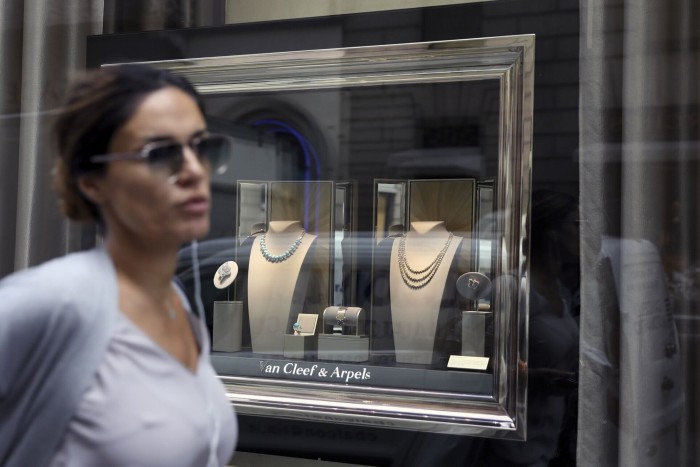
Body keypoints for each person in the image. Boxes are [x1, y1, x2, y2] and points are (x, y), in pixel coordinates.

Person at [0, 64, 238, 466]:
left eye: (201, 147)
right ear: (92, 181)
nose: (194, 171)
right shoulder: (52, 302)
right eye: (160, 154)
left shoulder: (178, 303)